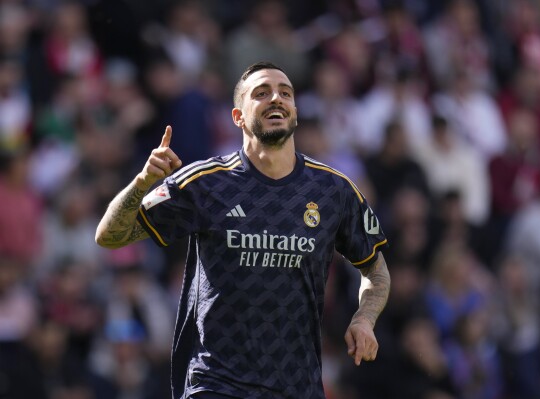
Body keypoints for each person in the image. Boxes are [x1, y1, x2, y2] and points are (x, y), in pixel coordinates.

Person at [95, 61, 390, 399]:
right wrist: (142, 182)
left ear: (294, 112)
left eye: (285, 93)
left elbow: (376, 270)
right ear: (238, 116)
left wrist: (364, 318)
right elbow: (110, 236)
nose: (276, 98)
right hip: (217, 385)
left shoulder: (333, 191)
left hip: (297, 387)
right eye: (261, 93)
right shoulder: (204, 183)